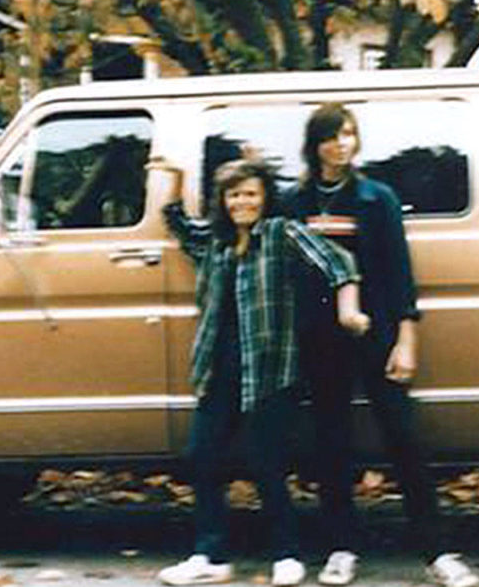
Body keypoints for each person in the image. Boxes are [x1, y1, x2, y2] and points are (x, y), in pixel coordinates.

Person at [283, 104, 479, 587]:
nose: (341, 144)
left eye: (348, 134)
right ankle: (340, 547)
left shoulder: (377, 198)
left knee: (403, 439)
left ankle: (437, 552)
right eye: (331, 136)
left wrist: (405, 339)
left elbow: (399, 274)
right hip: (319, 339)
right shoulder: (294, 200)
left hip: (377, 331)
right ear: (316, 145)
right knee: (331, 442)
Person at [156, 158, 369, 587]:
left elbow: (339, 262)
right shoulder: (215, 243)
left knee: (265, 462)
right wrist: (175, 180)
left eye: (250, 193)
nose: (242, 202)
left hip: (270, 369)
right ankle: (211, 556)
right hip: (218, 369)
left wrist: (349, 310)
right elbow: (177, 223)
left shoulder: (281, 234)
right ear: (223, 200)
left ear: (265, 197)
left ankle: (287, 554)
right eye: (234, 194)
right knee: (202, 456)